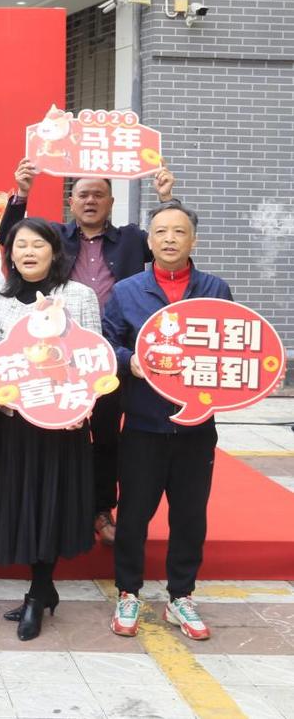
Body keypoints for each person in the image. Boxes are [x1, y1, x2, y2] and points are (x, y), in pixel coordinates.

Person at [0, 159, 176, 545]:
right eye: (83, 194)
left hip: (114, 350)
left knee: (107, 432)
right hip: (62, 353)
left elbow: (167, 242)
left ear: (111, 201)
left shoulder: (131, 239)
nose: (91, 200)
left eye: (99, 194)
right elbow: (12, 237)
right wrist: (22, 194)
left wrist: (166, 200)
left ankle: (101, 508)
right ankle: (68, 508)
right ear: (72, 201)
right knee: (64, 433)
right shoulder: (58, 236)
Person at [103, 201, 231, 641]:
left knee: (190, 515)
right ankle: (128, 592)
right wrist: (129, 361)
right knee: (134, 514)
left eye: (179, 231)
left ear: (194, 239)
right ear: (150, 240)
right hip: (144, 422)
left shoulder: (215, 289)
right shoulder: (128, 291)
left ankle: (181, 596)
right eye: (161, 232)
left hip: (197, 425)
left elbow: (234, 347)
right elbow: (107, 342)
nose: (170, 239)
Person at [0, 218, 98, 641]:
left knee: (53, 501)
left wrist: (84, 403)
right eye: (20, 245)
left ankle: (38, 591)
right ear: (10, 255)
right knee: (25, 502)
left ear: (54, 251)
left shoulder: (79, 296)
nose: (28, 252)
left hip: (64, 421)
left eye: (37, 244)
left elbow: (94, 357)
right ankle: (42, 588)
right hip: (17, 421)